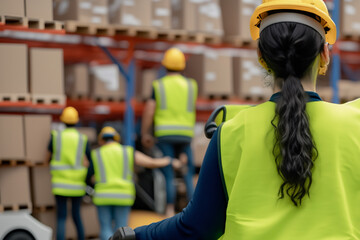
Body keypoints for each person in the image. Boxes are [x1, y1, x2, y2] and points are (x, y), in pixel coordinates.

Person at [132, 0, 360, 239]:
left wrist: (135, 235)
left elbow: (196, 227)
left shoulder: (230, 132)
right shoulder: (355, 124)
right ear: (324, 53)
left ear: (261, 56)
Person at [88, 126, 180, 240]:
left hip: (103, 196)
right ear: (117, 139)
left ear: (101, 140)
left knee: (105, 228)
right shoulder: (128, 152)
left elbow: (90, 176)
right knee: (121, 230)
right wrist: (170, 160)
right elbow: (151, 162)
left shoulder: (96, 153)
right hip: (123, 195)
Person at [141, 47, 198, 217]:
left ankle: (169, 210)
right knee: (187, 172)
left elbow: (150, 110)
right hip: (186, 134)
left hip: (165, 134)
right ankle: (194, 210)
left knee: (167, 171)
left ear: (164, 65)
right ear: (182, 66)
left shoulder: (159, 85)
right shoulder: (191, 85)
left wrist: (145, 133)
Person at [46, 106, 92, 240]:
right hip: (77, 185)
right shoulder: (82, 139)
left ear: (62, 120)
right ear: (76, 121)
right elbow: (88, 162)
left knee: (61, 217)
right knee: (77, 216)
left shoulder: (56, 136)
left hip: (60, 184)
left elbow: (47, 157)